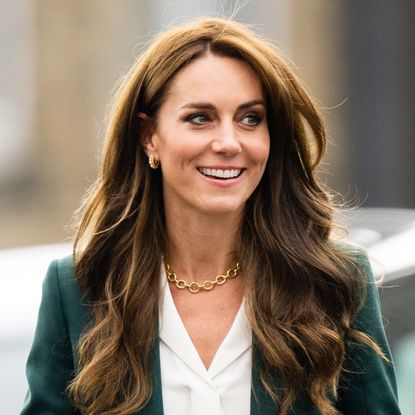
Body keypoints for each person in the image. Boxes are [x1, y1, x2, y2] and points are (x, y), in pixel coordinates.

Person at [21, 18, 400, 415]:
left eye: (250, 118)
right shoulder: (81, 287)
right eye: (200, 118)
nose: (228, 143)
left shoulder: (335, 281)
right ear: (149, 135)